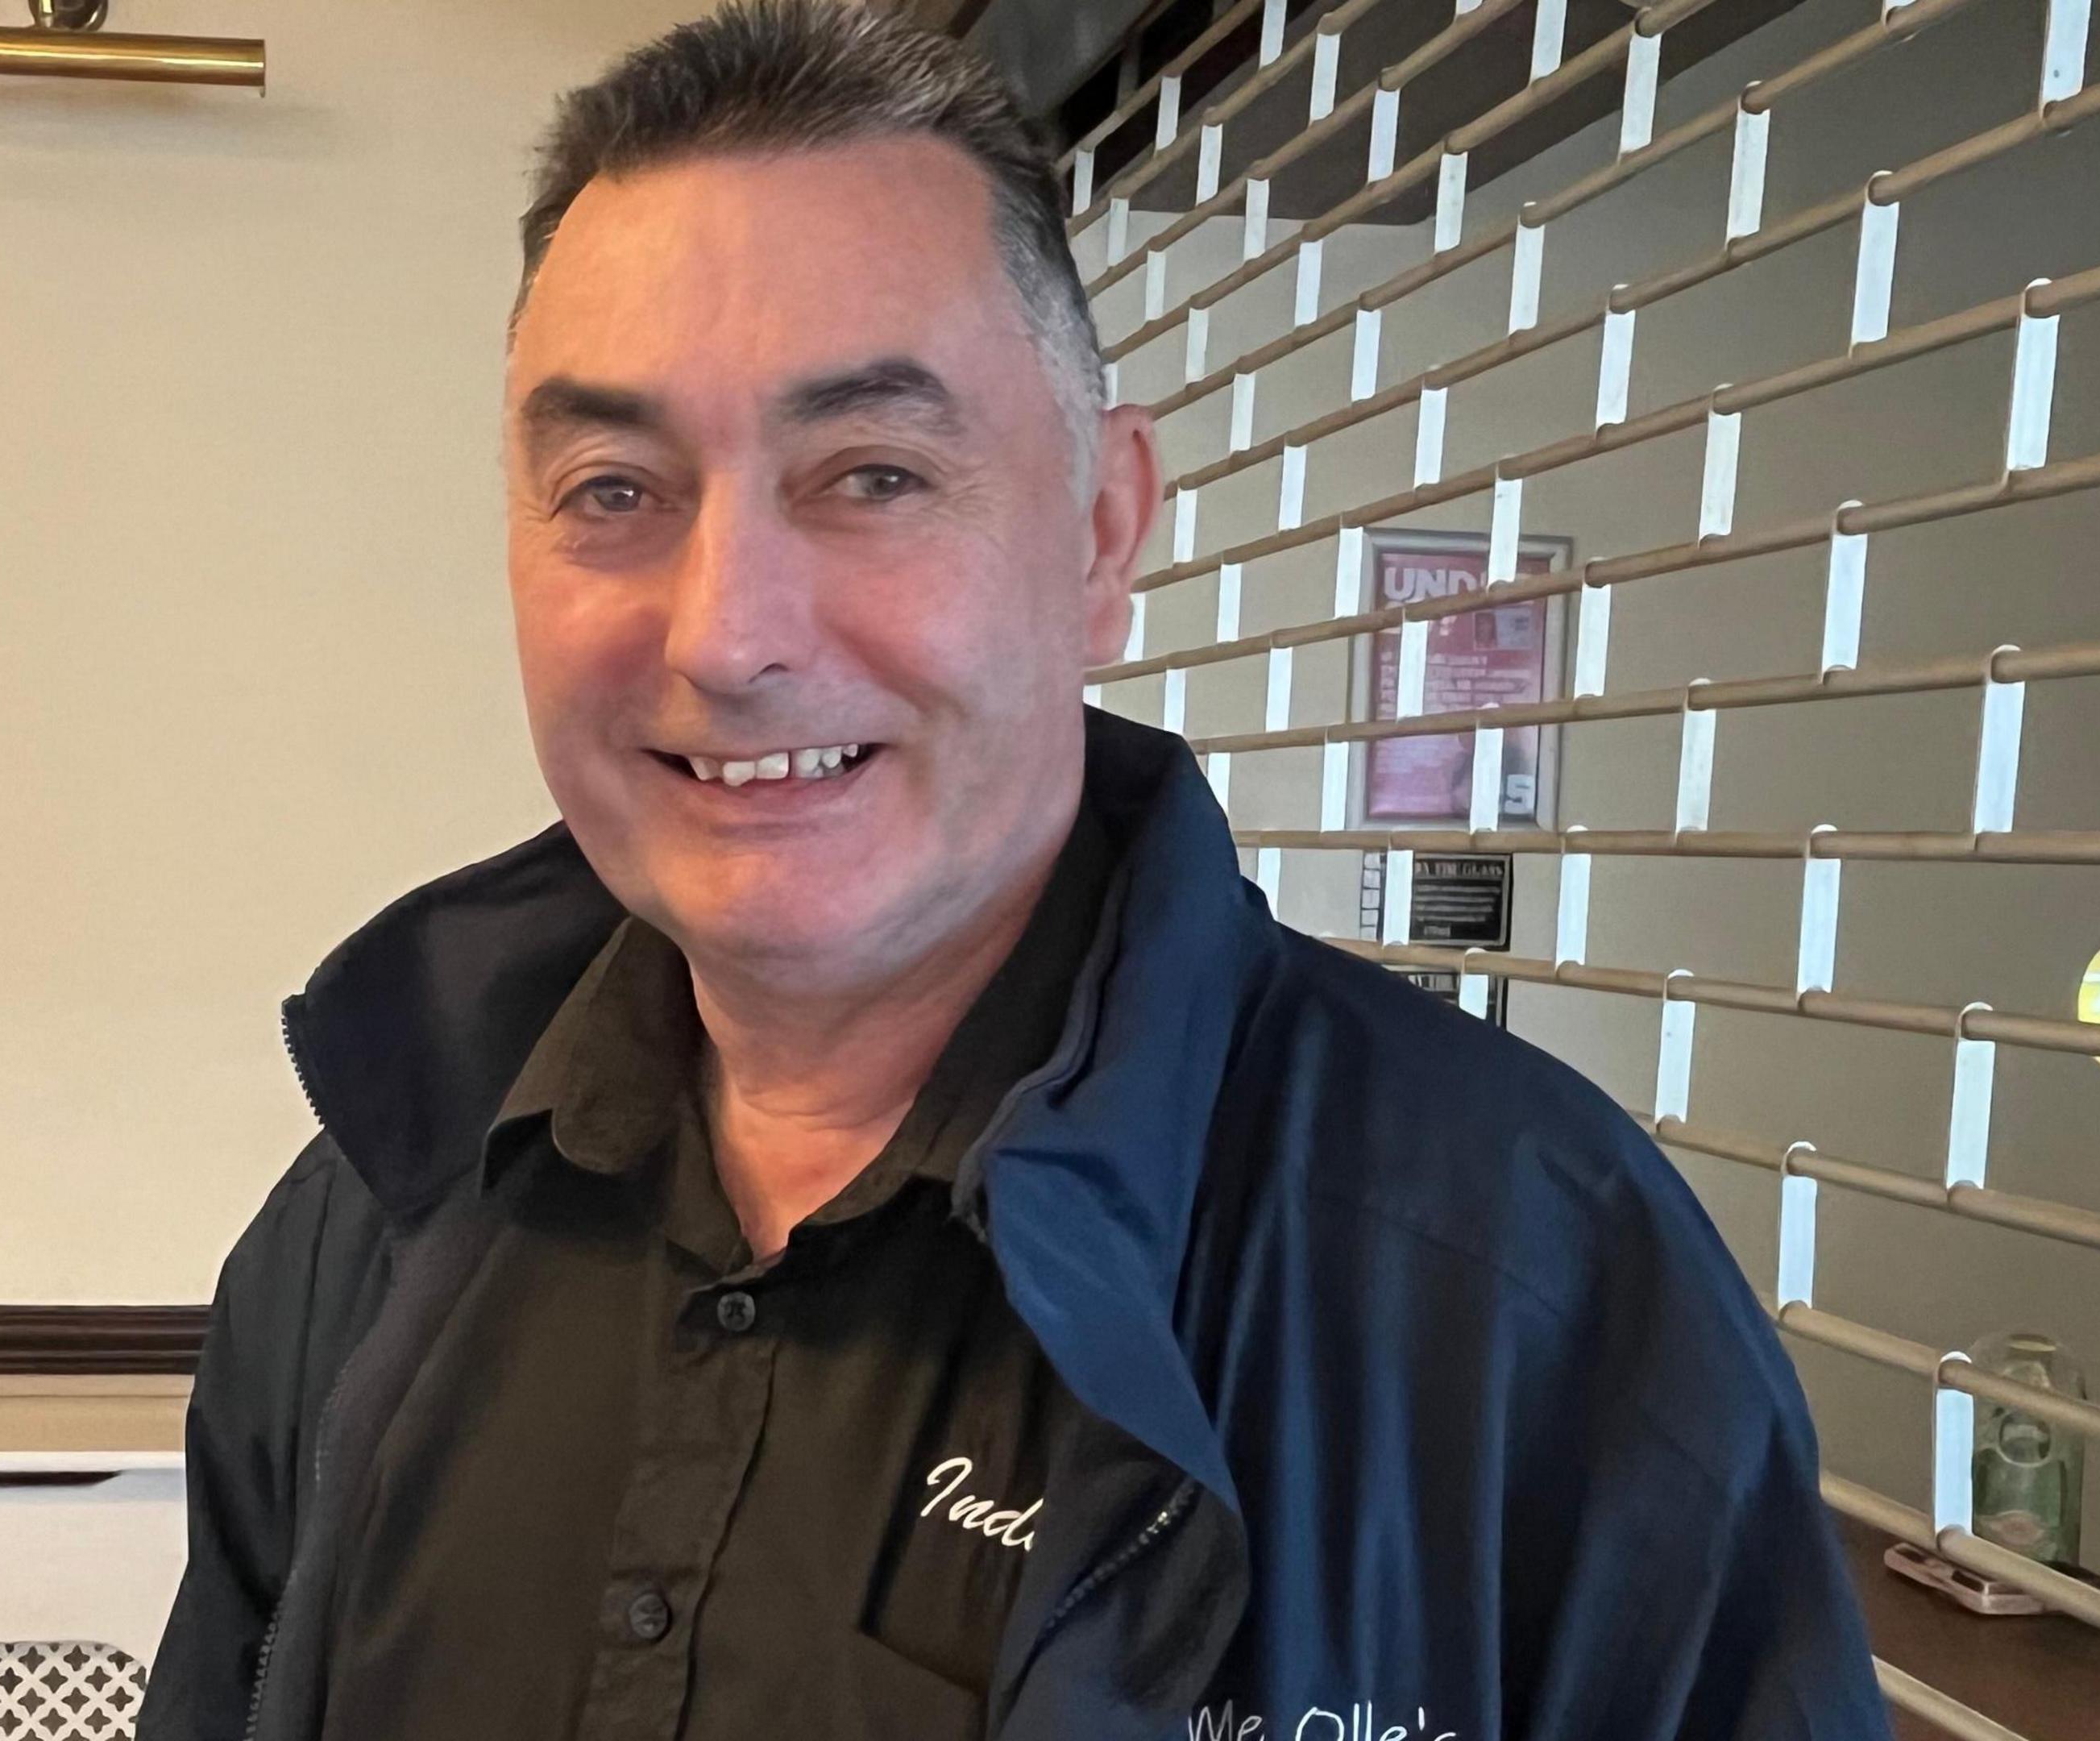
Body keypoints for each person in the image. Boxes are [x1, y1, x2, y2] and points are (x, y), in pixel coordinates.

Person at [139, 4, 1886, 1738]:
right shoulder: (367, 1231)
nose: (728, 632)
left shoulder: (1523, 1296)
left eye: (874, 474)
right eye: (613, 489)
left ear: (1101, 528)